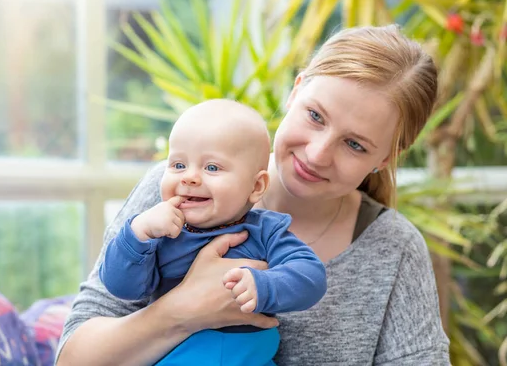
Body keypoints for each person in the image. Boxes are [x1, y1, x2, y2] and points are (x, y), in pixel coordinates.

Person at [56, 24, 450, 365]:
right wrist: (183, 310)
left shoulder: (392, 248)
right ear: (296, 92)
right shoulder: (177, 190)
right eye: (315, 116)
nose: (317, 154)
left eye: (355, 145)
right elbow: (74, 358)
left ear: (386, 157)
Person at [98, 99, 327, 365]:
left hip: (246, 355)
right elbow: (121, 287)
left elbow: (311, 276)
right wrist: (137, 235)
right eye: (178, 165)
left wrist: (264, 285)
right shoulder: (159, 230)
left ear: (256, 186)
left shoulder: (266, 231)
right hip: (175, 353)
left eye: (212, 168)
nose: (190, 178)